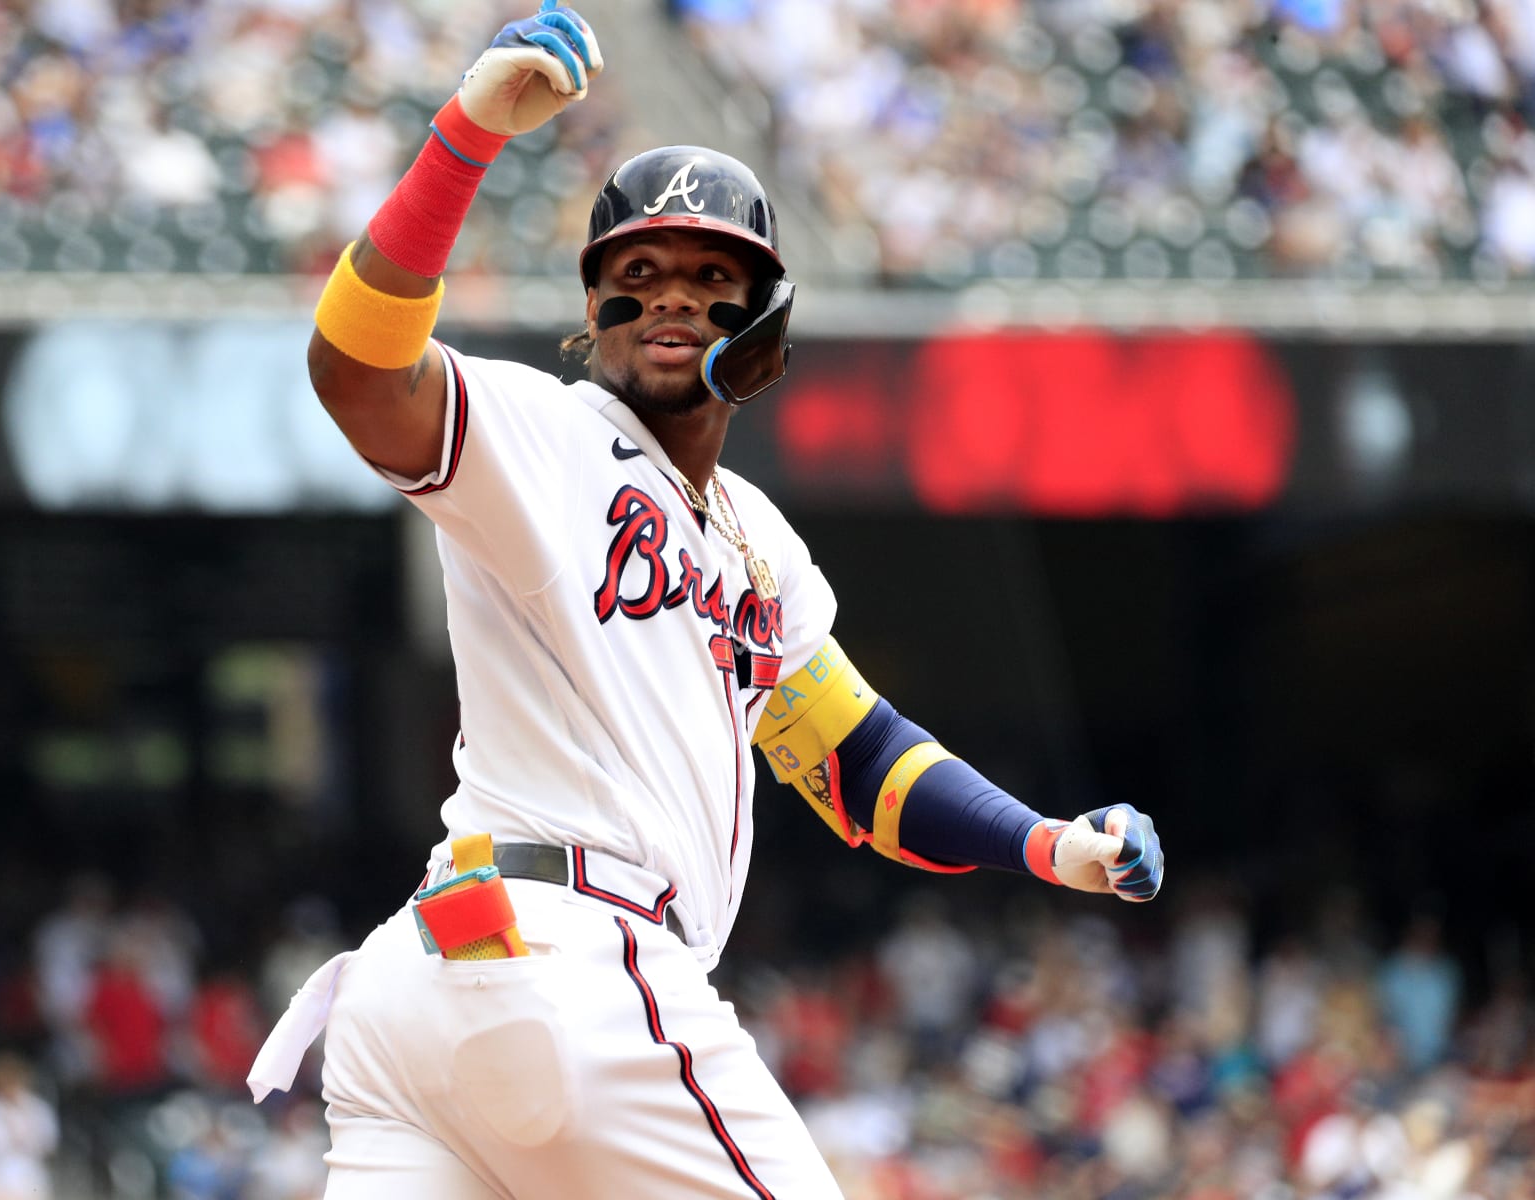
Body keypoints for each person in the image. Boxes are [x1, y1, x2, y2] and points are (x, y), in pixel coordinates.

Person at [247, 5, 1166, 1197]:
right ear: (593, 314)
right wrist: (468, 132)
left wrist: (1046, 846)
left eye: (709, 275)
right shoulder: (544, 434)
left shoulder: (759, 544)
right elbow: (357, 371)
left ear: (766, 323)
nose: (672, 296)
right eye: (638, 273)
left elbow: (859, 755)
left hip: (447, 978)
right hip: (566, 952)